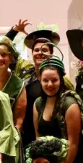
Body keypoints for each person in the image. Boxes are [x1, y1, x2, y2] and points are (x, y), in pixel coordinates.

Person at [5, 20, 74, 149]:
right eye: (36, 50)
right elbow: (5, 48)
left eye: (45, 50)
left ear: (51, 53)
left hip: (54, 137)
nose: (40, 52)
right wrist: (14, 30)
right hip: (25, 134)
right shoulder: (24, 69)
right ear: (32, 53)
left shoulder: (63, 80)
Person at [33, 52, 83, 163]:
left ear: (61, 79)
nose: (49, 84)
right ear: (40, 80)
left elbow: (74, 143)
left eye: (54, 80)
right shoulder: (38, 104)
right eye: (45, 80)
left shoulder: (70, 104)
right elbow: (38, 138)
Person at [0, 37, 27, 134]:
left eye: (4, 55)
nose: (0, 58)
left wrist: (13, 138)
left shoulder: (18, 84)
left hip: (8, 134)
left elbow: (19, 120)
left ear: (10, 58)